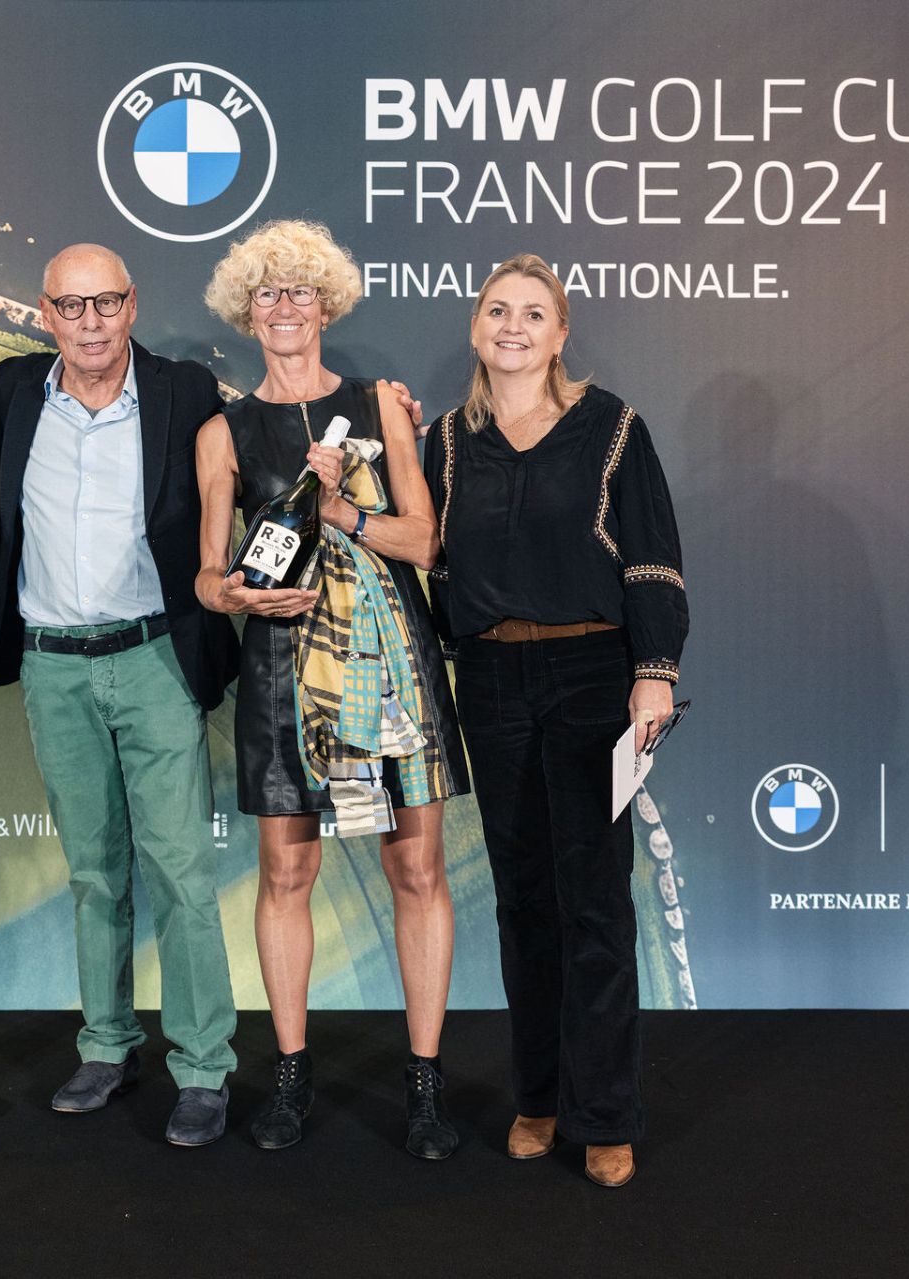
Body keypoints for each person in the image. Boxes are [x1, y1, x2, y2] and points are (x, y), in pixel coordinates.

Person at [195, 219, 470, 1158]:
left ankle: (425, 1085)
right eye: (267, 293)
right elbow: (208, 575)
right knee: (286, 874)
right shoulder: (223, 432)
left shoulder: (380, 406)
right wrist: (233, 594)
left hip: (393, 666)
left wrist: (342, 508)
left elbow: (425, 541)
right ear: (246, 311)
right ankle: (290, 1074)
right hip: (282, 669)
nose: (285, 308)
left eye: (301, 291)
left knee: (417, 871)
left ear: (327, 304)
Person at [423, 253, 687, 1189]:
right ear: (475, 327)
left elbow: (651, 558)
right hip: (491, 679)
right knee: (523, 899)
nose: (514, 326)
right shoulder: (445, 440)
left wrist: (654, 674)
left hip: (591, 675)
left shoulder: (612, 427)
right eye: (498, 310)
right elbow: (431, 564)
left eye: (534, 313)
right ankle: (537, 1097)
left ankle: (604, 1114)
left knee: (597, 901)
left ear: (561, 332)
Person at [0, 244, 242, 1146]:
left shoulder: (184, 391)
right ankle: (106, 1044)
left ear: (132, 305)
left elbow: (255, 449)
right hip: (53, 664)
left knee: (180, 869)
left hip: (153, 657)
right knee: (94, 871)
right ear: (44, 313)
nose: (89, 323)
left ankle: (204, 1065)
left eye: (105, 303)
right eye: (71, 305)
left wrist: (376, 415)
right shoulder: (13, 391)